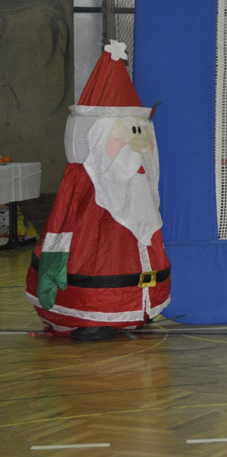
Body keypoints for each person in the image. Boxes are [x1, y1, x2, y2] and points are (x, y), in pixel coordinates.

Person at [24, 41, 171, 341]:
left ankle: (133, 308)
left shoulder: (134, 180)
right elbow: (61, 234)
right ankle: (92, 312)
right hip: (95, 213)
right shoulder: (81, 184)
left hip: (131, 206)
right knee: (89, 251)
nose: (137, 143)